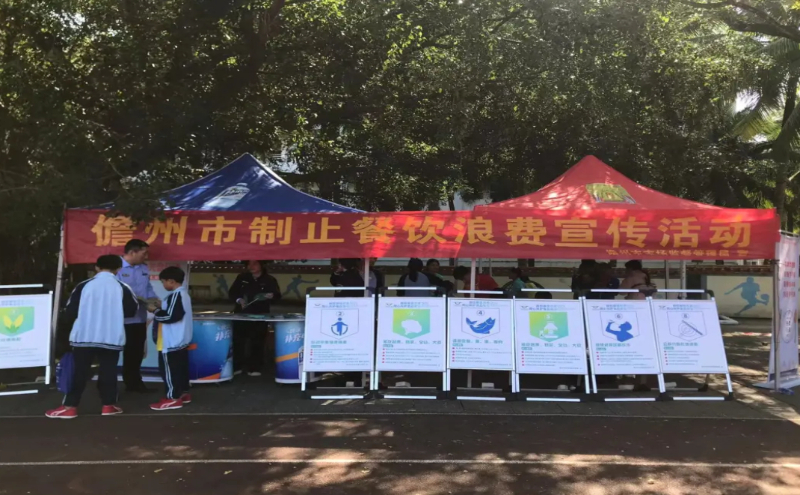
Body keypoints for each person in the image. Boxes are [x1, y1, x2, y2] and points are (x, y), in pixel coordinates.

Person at [46, 255, 139, 419]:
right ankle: (108, 406)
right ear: (118, 269)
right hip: (111, 336)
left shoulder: (84, 286)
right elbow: (132, 310)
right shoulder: (123, 287)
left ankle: (70, 407)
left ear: (96, 267)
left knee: (79, 372)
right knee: (108, 372)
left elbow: (70, 311)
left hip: (84, 335)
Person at [117, 239, 159, 393]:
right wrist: (138, 300)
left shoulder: (143, 268)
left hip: (139, 317)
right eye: (144, 253)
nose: (146, 257)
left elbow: (147, 288)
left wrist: (155, 301)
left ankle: (134, 383)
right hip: (121, 319)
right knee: (114, 352)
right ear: (132, 252)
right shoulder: (117, 268)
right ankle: (108, 386)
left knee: (136, 351)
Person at [148, 266, 193, 411]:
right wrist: (162, 305)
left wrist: (155, 310)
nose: (163, 285)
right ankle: (183, 393)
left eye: (163, 282)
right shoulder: (183, 295)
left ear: (171, 281)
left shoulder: (175, 295)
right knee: (180, 369)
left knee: (169, 371)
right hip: (181, 340)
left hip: (171, 341)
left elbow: (170, 317)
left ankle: (172, 398)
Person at [228, 260, 281, 376]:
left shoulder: (269, 279)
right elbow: (232, 293)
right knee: (238, 340)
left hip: (260, 314)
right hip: (241, 314)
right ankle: (237, 366)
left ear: (261, 265)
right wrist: (239, 300)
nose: (251, 266)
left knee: (257, 340)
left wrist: (271, 296)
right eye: (249, 264)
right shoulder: (242, 278)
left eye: (255, 264)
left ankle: (255, 367)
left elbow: (277, 296)